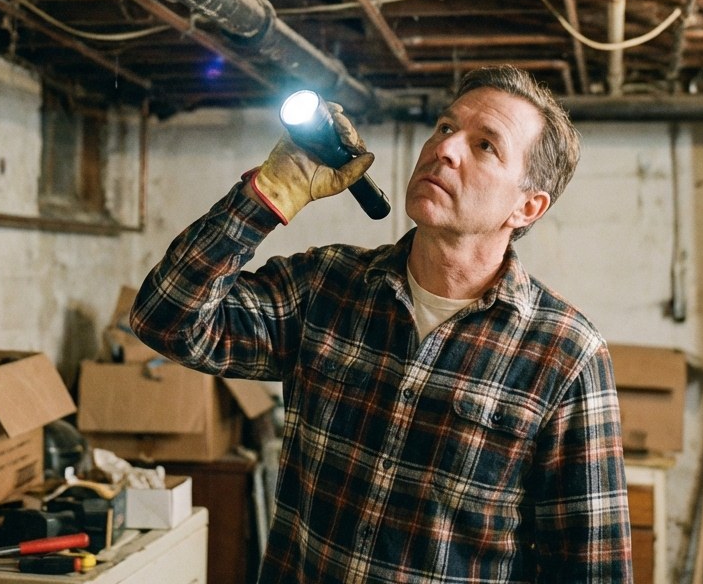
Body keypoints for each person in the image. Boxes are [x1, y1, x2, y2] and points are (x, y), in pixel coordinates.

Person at [130, 64, 633, 583]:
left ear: (527, 207)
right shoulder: (326, 287)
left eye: (485, 146)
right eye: (445, 127)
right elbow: (166, 318)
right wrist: (269, 194)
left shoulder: (565, 355)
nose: (446, 149)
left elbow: (590, 570)